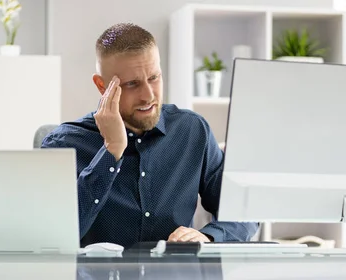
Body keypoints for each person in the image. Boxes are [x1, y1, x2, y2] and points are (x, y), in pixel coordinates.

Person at [41, 23, 259, 248]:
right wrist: (111, 150)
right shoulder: (64, 144)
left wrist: (209, 236)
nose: (148, 95)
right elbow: (53, 236)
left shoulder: (192, 131)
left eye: (154, 77)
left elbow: (244, 213)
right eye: (132, 84)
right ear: (101, 85)